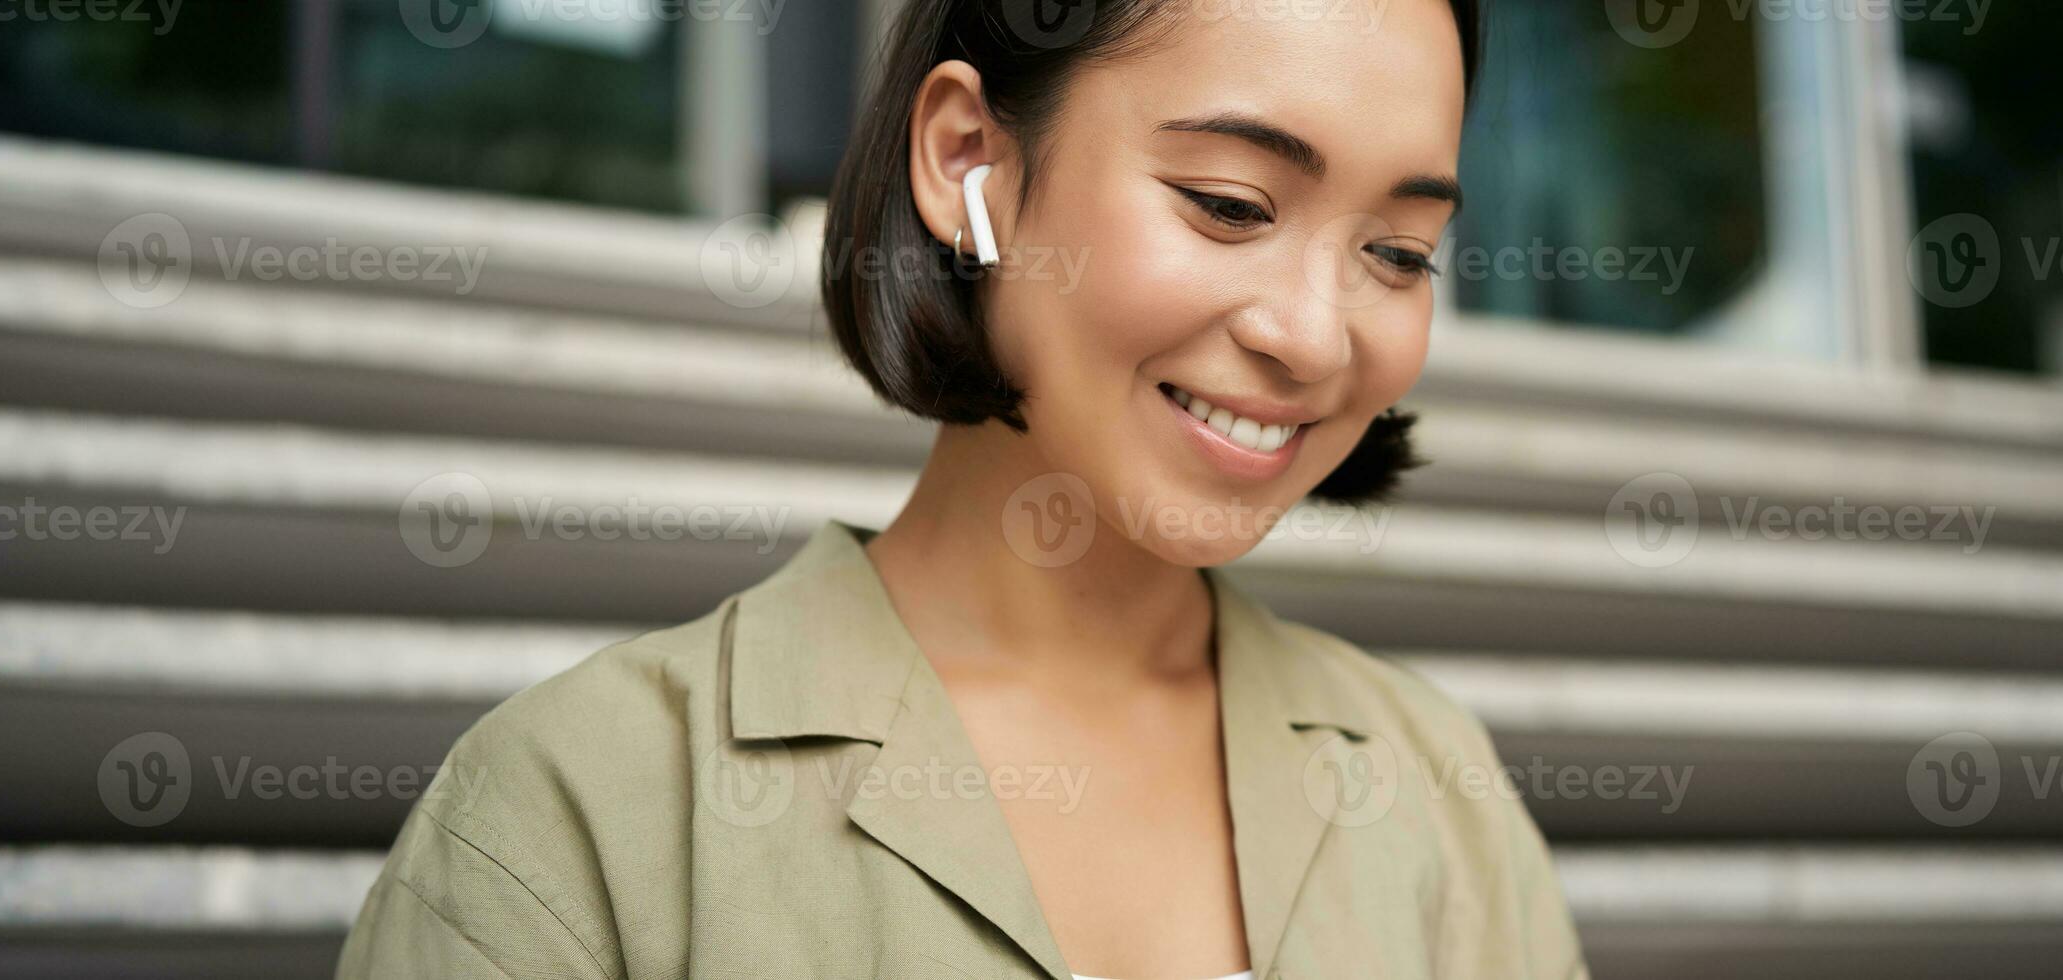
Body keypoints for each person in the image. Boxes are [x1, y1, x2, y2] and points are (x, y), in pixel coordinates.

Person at [338, 0, 1584, 976]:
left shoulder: (1432, 790)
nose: (1315, 338)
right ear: (968, 160)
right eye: (1229, 204)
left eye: (1396, 252)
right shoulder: (582, 806)